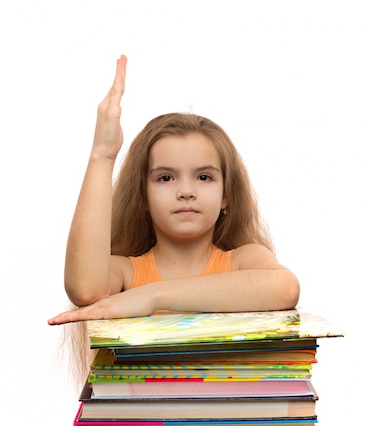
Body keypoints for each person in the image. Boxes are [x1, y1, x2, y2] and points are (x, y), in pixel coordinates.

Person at [48, 55, 299, 326]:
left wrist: (153, 296)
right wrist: (102, 155)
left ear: (226, 195)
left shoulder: (245, 261)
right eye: (166, 178)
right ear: (142, 196)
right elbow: (84, 289)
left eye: (204, 177)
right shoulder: (125, 273)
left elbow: (285, 288)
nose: (186, 191)